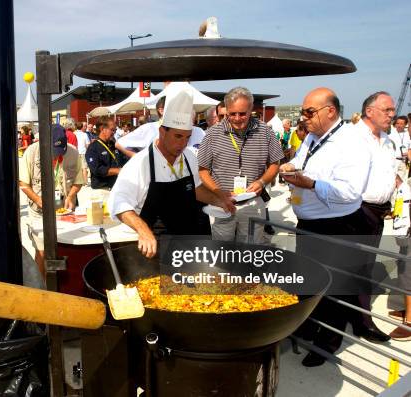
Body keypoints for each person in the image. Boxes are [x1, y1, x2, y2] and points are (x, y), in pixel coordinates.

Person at [279, 87, 374, 367]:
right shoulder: (312, 136)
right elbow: (301, 162)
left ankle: (327, 344)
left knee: (333, 288)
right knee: (308, 281)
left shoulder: (352, 143)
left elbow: (350, 192)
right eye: (303, 112)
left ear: (330, 111)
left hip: (337, 225)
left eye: (309, 112)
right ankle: (307, 327)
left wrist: (309, 183)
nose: (304, 118)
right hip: (308, 223)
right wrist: (290, 168)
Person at [108, 85, 232, 258]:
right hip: (160, 248)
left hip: (193, 243)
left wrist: (219, 200)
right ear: (162, 132)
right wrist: (142, 230)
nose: (183, 144)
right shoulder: (140, 163)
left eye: (187, 137)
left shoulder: (189, 157)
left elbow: (195, 189)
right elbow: (119, 203)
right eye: (178, 136)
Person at [198, 87, 284, 243]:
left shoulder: (265, 132)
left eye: (243, 113)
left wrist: (261, 182)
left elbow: (275, 163)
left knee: (250, 251)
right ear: (227, 110)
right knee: (223, 252)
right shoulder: (212, 134)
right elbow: (202, 170)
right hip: (223, 202)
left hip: (252, 202)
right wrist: (218, 192)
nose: (237, 118)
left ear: (251, 109)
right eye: (232, 114)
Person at [354, 91, 399, 342]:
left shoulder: (387, 141)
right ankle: (353, 322)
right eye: (387, 110)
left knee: (366, 266)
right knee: (349, 266)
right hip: (356, 210)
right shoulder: (352, 139)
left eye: (392, 110)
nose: (392, 115)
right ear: (369, 111)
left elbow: (390, 175)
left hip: (380, 212)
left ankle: (361, 318)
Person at [19, 125, 84, 276]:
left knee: (65, 247)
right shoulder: (31, 152)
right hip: (39, 211)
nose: (56, 156)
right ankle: (41, 286)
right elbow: (23, 183)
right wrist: (38, 199)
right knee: (41, 251)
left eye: (60, 151)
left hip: (65, 211)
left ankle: (61, 283)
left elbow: (79, 180)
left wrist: (70, 196)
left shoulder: (73, 152)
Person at [85, 117, 123, 190]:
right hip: (102, 189)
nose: (114, 132)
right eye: (112, 130)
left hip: (116, 187)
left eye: (115, 130)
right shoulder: (93, 148)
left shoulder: (113, 145)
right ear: (102, 129)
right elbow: (97, 169)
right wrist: (118, 171)